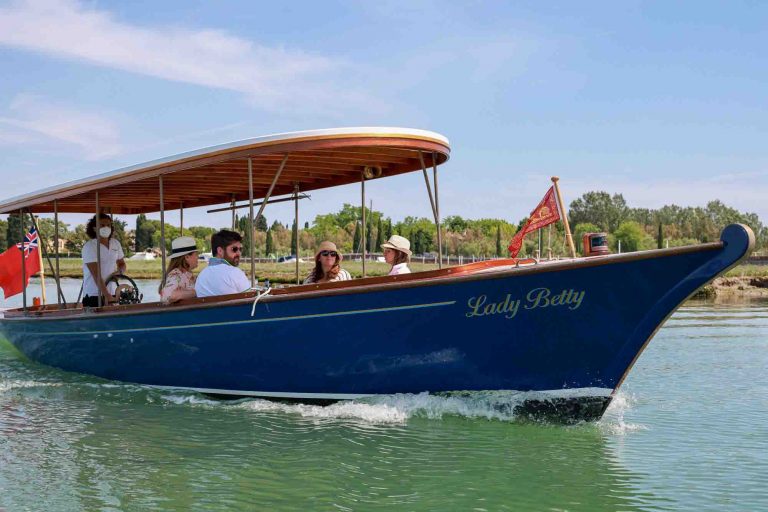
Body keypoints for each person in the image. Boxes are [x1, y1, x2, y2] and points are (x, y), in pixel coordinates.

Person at [82, 213, 126, 307]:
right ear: (94, 228)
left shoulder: (115, 243)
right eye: (102, 225)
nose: (106, 227)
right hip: (94, 295)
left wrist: (120, 272)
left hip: (113, 292)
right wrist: (107, 295)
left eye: (108, 225)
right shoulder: (90, 246)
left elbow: (122, 263)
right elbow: (96, 274)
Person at [195, 230, 251, 297]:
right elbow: (251, 297)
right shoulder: (235, 273)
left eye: (240, 249)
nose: (239, 253)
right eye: (234, 249)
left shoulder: (201, 275)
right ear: (220, 251)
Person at [159, 236, 199, 303]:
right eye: (196, 254)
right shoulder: (176, 275)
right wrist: (196, 292)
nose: (198, 257)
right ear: (187, 257)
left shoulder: (185, 275)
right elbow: (168, 295)